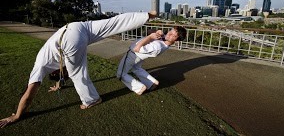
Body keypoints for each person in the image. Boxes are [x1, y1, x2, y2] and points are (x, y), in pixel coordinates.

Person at [0, 11, 157, 128]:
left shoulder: (39, 66)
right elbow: (63, 71)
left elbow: (29, 94)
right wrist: (58, 85)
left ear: (54, 72)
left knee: (77, 74)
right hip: (75, 26)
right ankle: (146, 15)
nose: (62, 73)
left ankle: (92, 99)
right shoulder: (46, 58)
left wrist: (16, 116)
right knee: (111, 23)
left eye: (59, 75)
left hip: (70, 40)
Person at [116, 26, 186, 95]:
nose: (169, 34)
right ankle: (151, 83)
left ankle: (139, 88)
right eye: (170, 31)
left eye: (173, 36)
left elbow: (136, 49)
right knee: (136, 68)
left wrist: (150, 37)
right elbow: (149, 31)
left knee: (120, 74)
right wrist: (156, 32)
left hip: (133, 55)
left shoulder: (157, 47)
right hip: (138, 57)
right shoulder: (164, 39)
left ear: (176, 41)